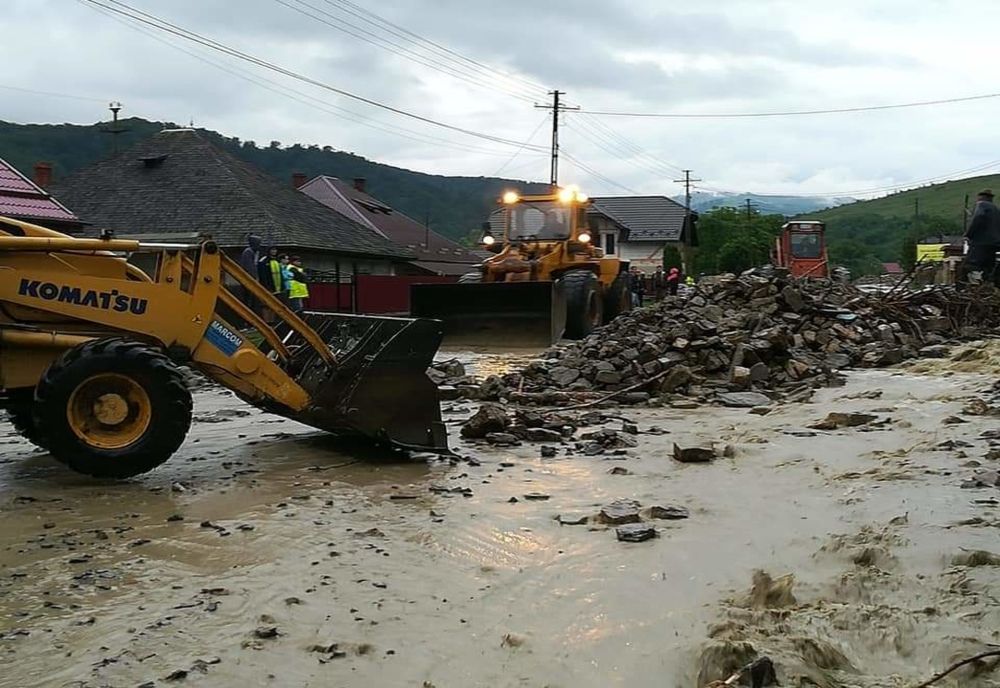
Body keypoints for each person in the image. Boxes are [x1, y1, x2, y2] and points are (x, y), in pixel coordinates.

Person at [964, 189, 1000, 285]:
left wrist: (968, 234)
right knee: (988, 267)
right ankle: (989, 288)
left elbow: (978, 218)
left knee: (972, 265)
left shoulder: (982, 205)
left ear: (981, 197)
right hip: (994, 244)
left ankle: (974, 288)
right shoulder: (996, 209)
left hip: (980, 242)